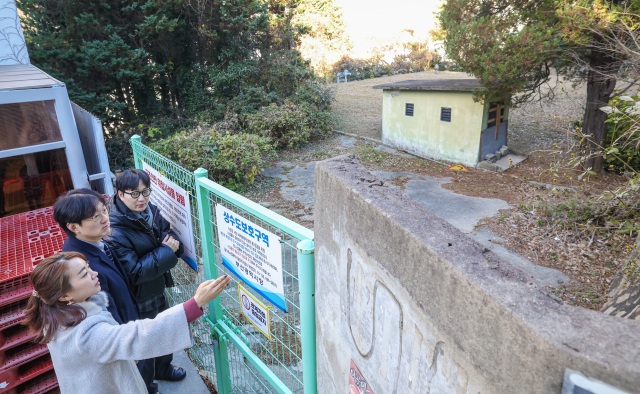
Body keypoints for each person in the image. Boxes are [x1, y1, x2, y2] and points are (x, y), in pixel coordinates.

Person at [23, 252, 231, 394]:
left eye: (88, 267)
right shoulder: (85, 334)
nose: (94, 273)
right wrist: (195, 304)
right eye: (84, 274)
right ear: (65, 294)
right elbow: (139, 335)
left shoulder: (56, 317)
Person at [105, 169, 186, 391]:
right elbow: (136, 272)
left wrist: (169, 248)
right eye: (134, 194)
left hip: (156, 286)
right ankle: (146, 386)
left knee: (164, 331)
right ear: (120, 194)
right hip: (138, 296)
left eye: (145, 192)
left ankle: (164, 368)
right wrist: (166, 251)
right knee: (146, 343)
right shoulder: (115, 230)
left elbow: (168, 234)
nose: (142, 199)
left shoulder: (149, 211)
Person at [53, 189, 139, 326]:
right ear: (74, 227)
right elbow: (109, 317)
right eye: (95, 217)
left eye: (104, 210)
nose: (106, 218)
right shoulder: (84, 269)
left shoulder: (90, 240)